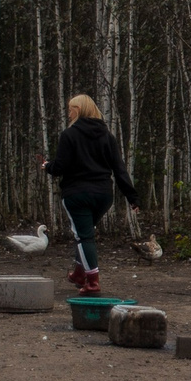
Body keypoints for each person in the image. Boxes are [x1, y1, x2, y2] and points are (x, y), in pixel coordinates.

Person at [42, 94, 140, 295]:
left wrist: (47, 166)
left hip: (77, 194)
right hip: (103, 195)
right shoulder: (107, 136)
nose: (68, 113)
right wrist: (132, 197)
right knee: (85, 232)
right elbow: (119, 169)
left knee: (83, 236)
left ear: (79, 110)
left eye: (71, 109)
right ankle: (79, 274)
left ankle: (92, 282)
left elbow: (60, 167)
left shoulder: (69, 135)